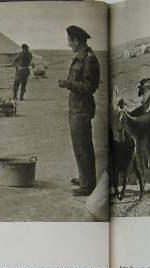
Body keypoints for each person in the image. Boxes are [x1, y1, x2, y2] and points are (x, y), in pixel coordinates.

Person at [59, 25, 100, 196]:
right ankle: (85, 178)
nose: (69, 44)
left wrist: (69, 84)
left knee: (83, 146)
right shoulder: (80, 58)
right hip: (76, 107)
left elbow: (90, 87)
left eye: (69, 41)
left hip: (82, 109)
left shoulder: (89, 59)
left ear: (76, 41)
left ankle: (88, 185)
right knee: (78, 145)